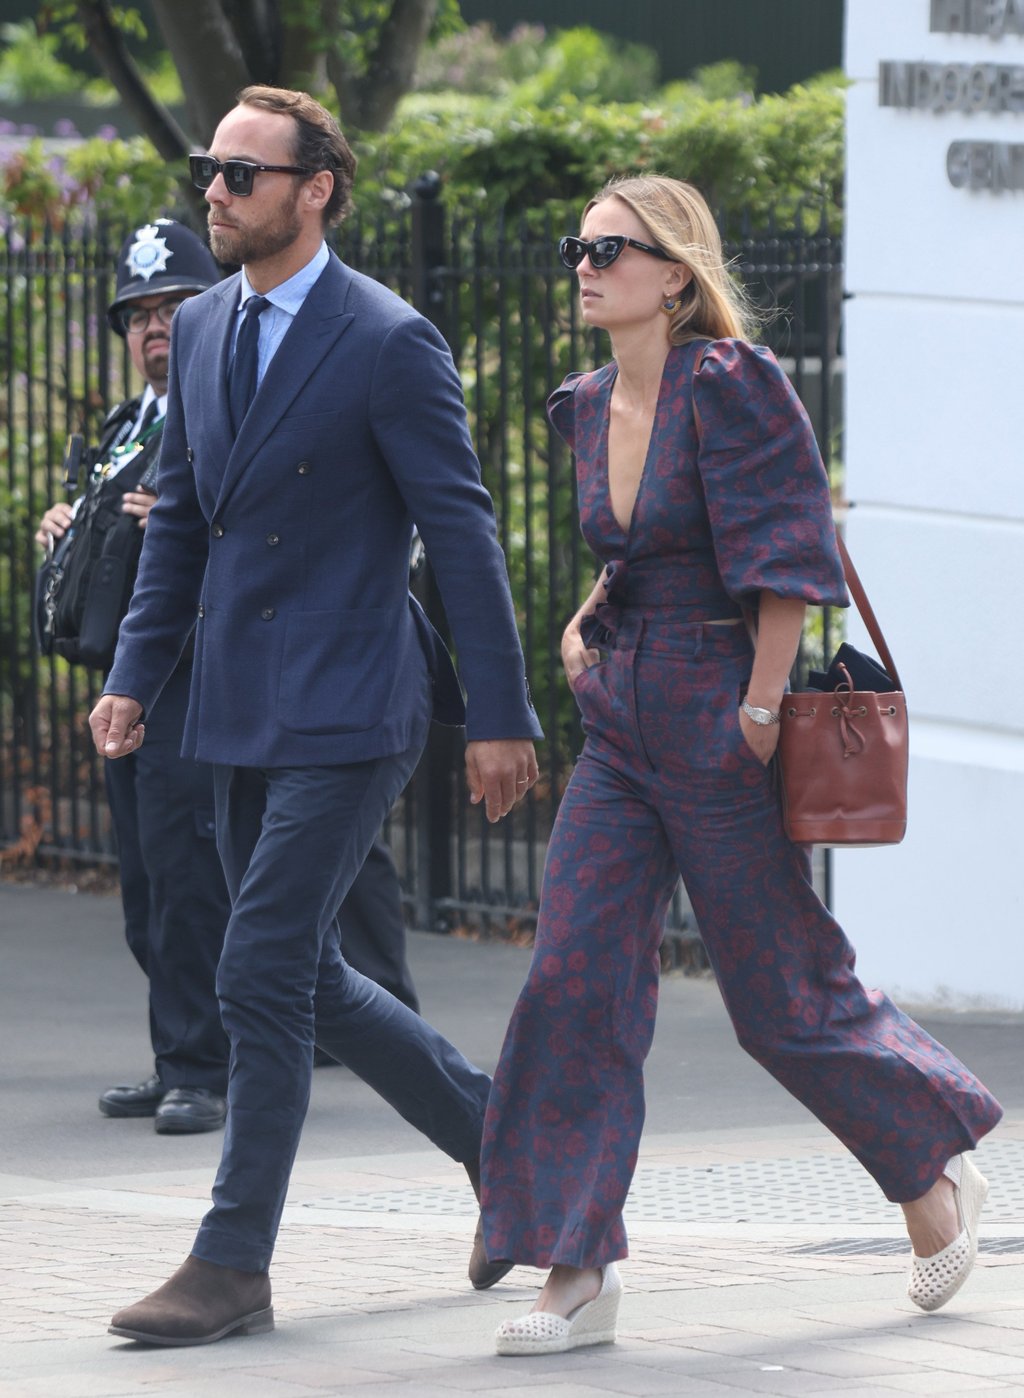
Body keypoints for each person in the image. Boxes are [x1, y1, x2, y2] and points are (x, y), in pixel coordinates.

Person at [479, 176, 1003, 1356]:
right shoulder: (585, 402)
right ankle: (576, 1263)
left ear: (675, 274)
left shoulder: (733, 385)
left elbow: (785, 552)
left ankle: (931, 1171)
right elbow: (640, 551)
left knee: (778, 994)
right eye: (579, 245)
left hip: (720, 711)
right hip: (619, 720)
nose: (584, 263)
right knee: (575, 976)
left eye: (611, 248)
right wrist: (583, 616)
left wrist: (759, 710)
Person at [88, 85, 540, 1347]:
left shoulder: (389, 339)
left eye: (240, 174)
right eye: (208, 171)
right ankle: (510, 1151)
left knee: (259, 967)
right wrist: (132, 674)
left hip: (353, 701)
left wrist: (500, 715)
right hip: (229, 698)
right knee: (311, 979)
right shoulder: (211, 331)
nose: (215, 193)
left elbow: (461, 533)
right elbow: (178, 518)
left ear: (315, 188)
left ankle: (232, 1261)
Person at [36, 219, 231, 1135]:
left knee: (192, 879)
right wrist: (68, 527)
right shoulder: (129, 426)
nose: (155, 329)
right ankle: (178, 1055)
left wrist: (190, 526)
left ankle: (206, 1064)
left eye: (173, 308)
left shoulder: (232, 404)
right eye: (139, 315)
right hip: (128, 678)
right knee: (148, 885)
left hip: (198, 678)